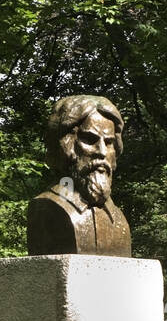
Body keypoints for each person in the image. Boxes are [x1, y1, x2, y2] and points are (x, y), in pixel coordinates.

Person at [26, 95, 132, 256]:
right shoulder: (48, 208)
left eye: (109, 142)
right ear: (65, 145)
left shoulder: (118, 218)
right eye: (90, 140)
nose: (102, 152)